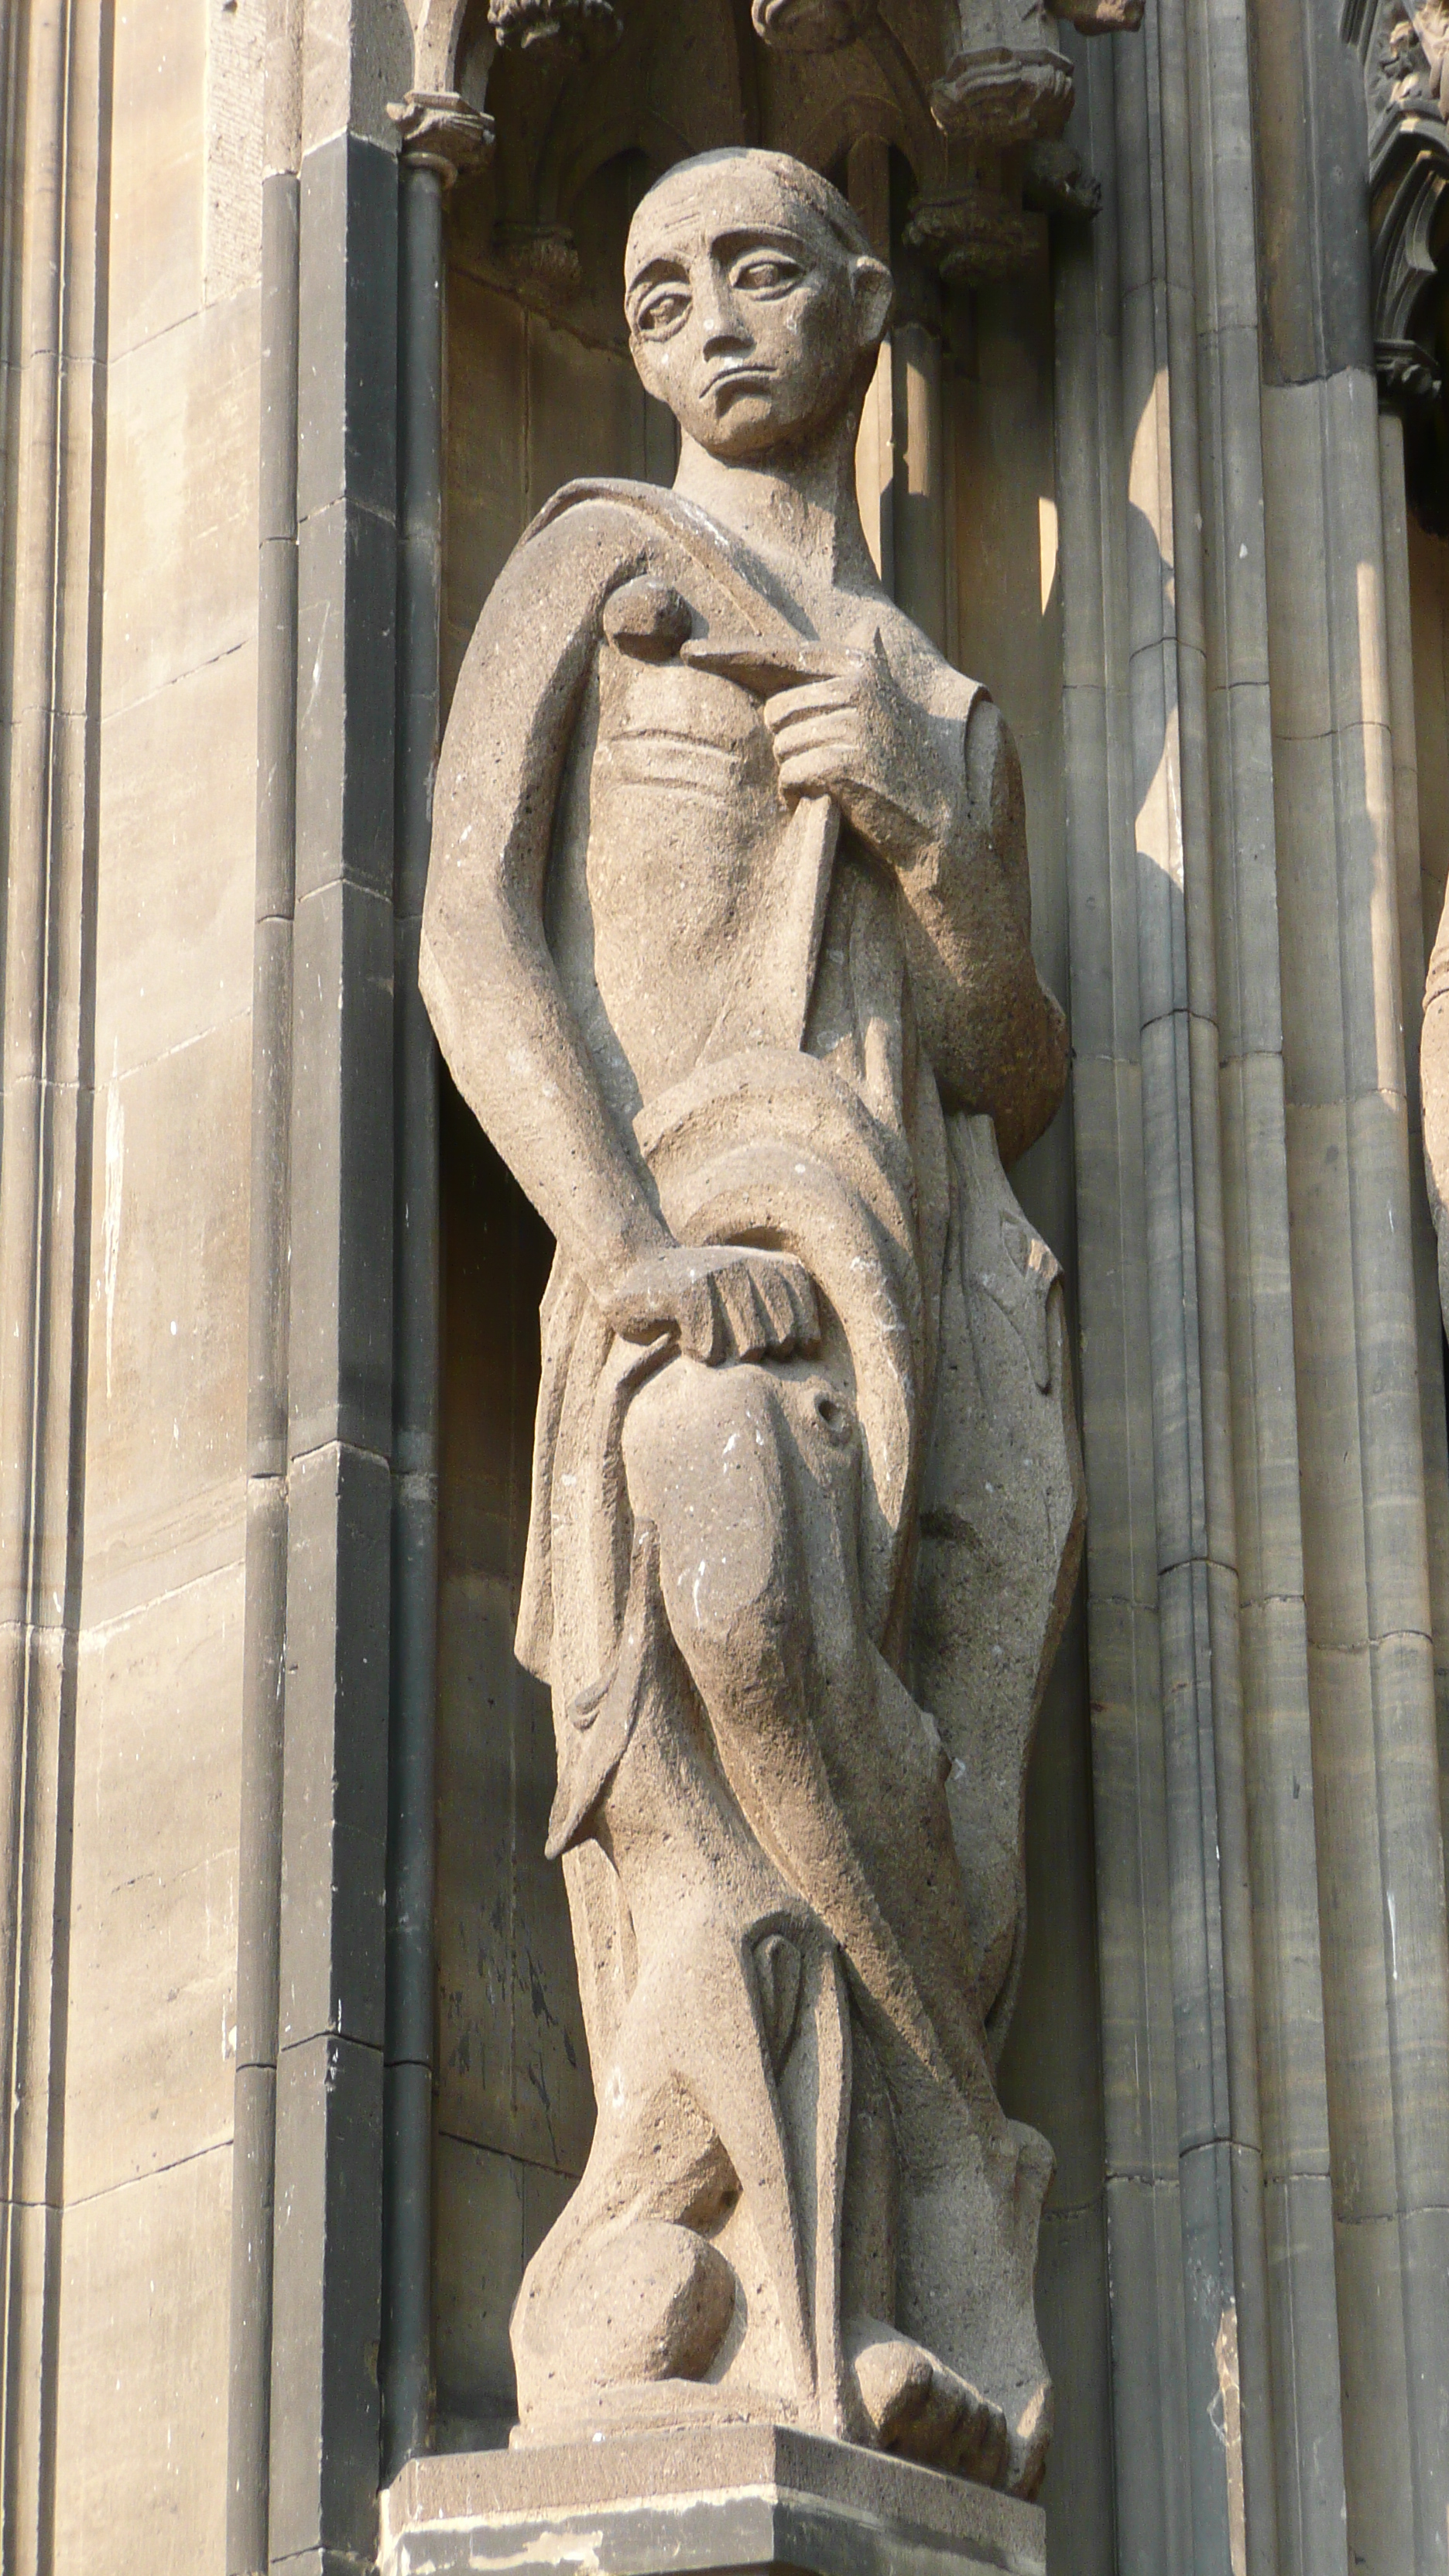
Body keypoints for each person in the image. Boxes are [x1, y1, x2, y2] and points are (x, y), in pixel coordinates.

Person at [421, 146, 1074, 2496]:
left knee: (858, 1753)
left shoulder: (933, 689)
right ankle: (942, 2224)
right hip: (693, 1248)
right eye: (660, 289)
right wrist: (614, 1242)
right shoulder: (598, 568)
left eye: (763, 274)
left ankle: (815, 2286)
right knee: (714, 1606)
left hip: (926, 1300)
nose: (711, 324)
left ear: (866, 306)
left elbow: (1008, 1064)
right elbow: (468, 940)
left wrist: (932, 837)